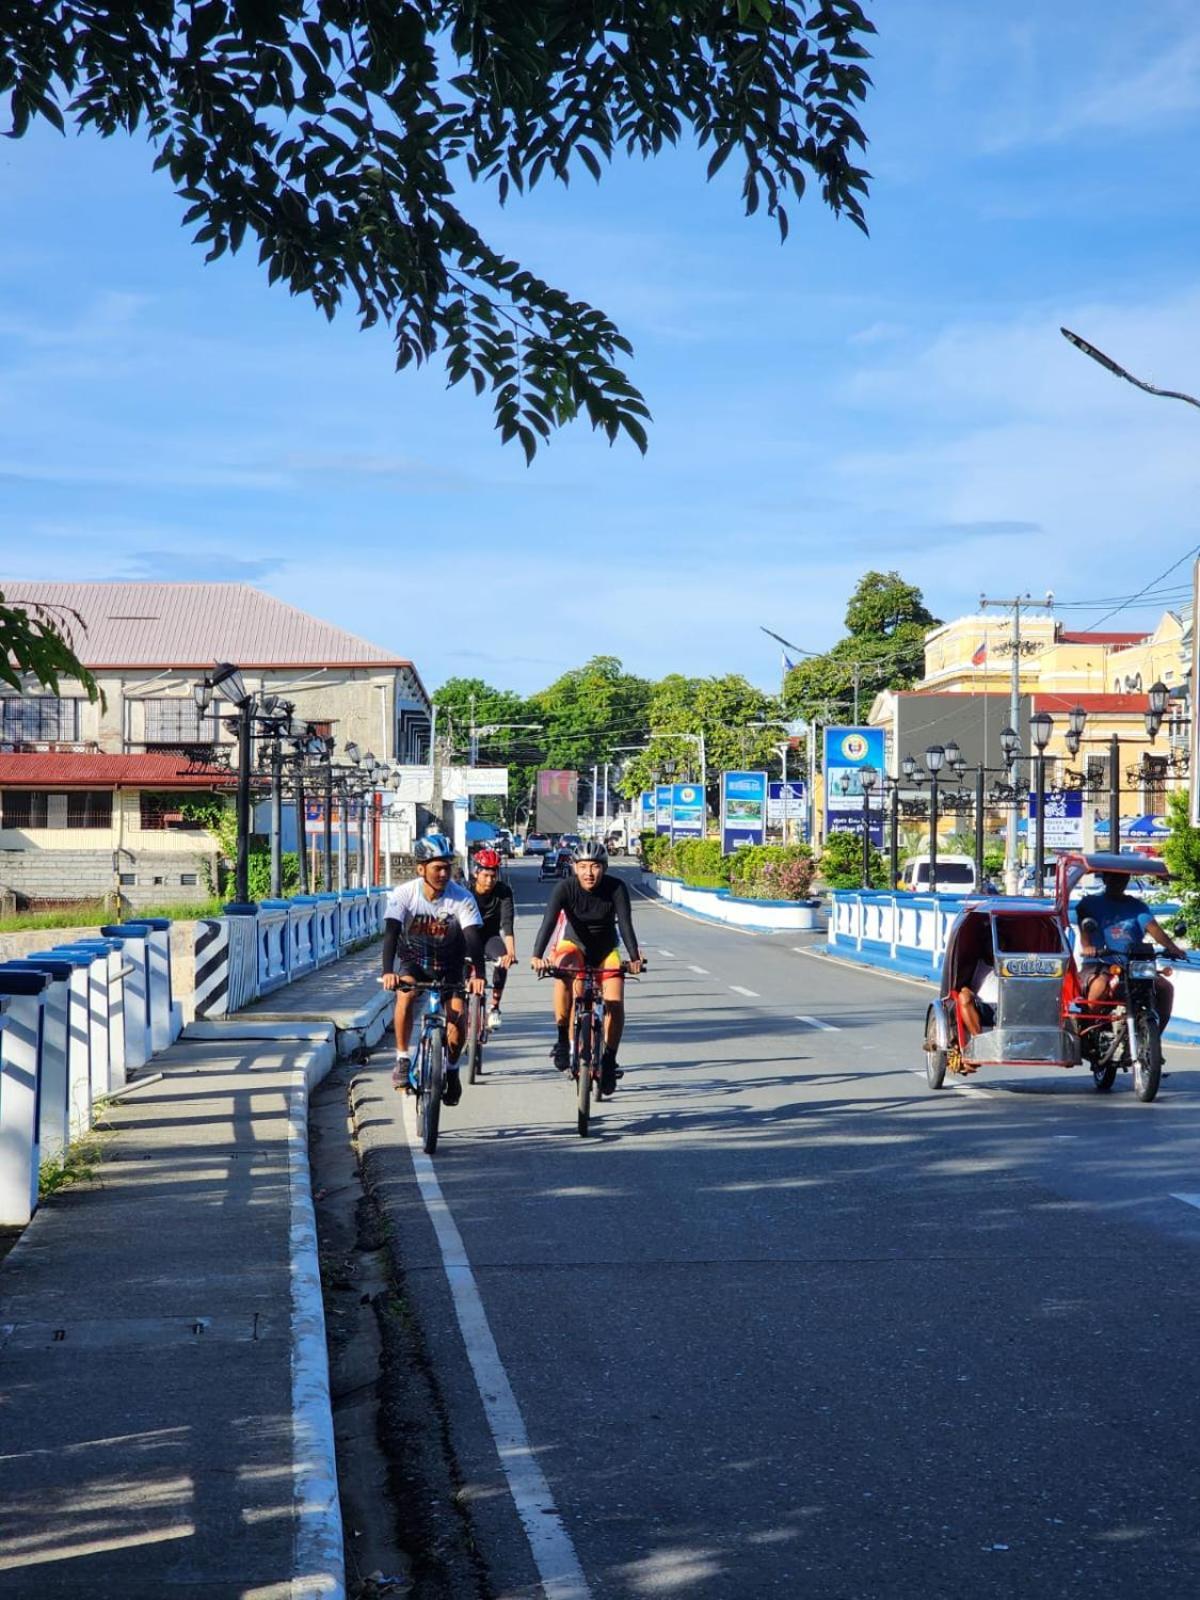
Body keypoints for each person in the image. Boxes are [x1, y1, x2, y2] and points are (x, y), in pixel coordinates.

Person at [530, 840, 645, 1094]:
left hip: (606, 949)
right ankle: (562, 1040)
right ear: (574, 867)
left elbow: (625, 925)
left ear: (604, 868)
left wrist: (635, 958)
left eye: (595, 867)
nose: (589, 873)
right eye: (583, 866)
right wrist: (537, 956)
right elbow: (548, 923)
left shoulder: (616, 888)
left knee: (614, 1000)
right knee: (563, 972)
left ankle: (609, 1059)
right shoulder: (564, 888)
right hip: (575, 945)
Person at [381, 832, 486, 1103]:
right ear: (421, 868)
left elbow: (474, 937)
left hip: (452, 964)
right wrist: (387, 971)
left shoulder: (462, 898)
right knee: (405, 995)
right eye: (437, 867)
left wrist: (479, 975)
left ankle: (451, 1071)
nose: (443, 873)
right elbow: (391, 932)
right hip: (415, 961)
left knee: (458, 1014)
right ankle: (403, 1059)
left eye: (447, 867)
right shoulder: (405, 894)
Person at [1077, 871, 1185, 1025]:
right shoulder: (1090, 903)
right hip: (1100, 961)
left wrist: (1172, 947)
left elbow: (1153, 928)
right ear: (1106, 879)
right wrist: (1088, 947)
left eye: (1123, 879)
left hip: (1134, 965)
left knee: (1165, 988)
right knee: (1099, 986)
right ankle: (1090, 1027)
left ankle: (1152, 1039)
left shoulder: (1137, 906)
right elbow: (1084, 927)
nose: (1119, 882)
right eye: (1115, 878)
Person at [469, 846, 516, 1029]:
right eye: (485, 875)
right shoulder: (465, 889)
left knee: (502, 959)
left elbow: (507, 923)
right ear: (476, 873)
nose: (489, 880)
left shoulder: (503, 891)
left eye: (493, 875)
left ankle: (494, 1007)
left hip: (490, 936)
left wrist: (511, 952)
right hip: (467, 936)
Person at [957, 923, 998, 1038]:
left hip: (1009, 1007)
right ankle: (978, 1039)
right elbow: (961, 986)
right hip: (982, 1007)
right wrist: (966, 990)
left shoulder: (1013, 965)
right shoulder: (974, 964)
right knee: (963, 997)